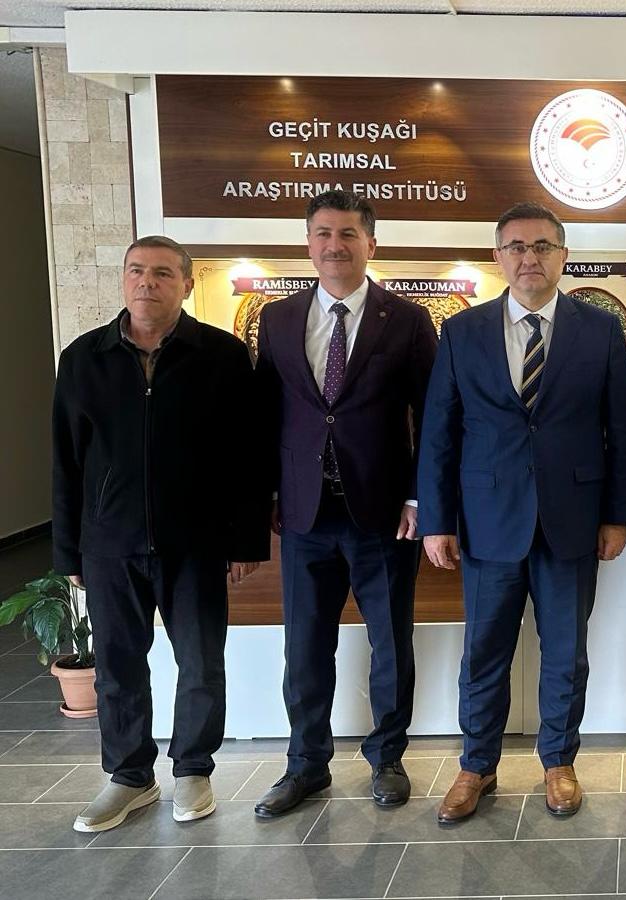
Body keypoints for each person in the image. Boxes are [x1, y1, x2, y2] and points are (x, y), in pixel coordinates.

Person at [418, 201, 626, 823]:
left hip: (574, 519)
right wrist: (436, 519)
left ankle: (558, 763)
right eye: (516, 246)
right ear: (498, 257)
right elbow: (439, 431)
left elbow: (623, 430)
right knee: (483, 651)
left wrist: (618, 515)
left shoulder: (600, 331)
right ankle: (476, 765)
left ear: (563, 256)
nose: (529, 257)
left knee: (565, 653)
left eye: (542, 246)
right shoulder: (463, 332)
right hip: (488, 521)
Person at [52, 236, 268, 832]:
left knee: (200, 663)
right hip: (108, 544)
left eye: (163, 273)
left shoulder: (222, 354)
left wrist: (246, 540)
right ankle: (129, 777)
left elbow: (248, 456)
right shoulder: (84, 358)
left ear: (187, 285)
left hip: (195, 543)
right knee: (119, 667)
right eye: (137, 271)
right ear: (124, 279)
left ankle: (193, 768)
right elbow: (66, 459)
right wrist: (68, 549)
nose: (147, 282)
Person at [252, 190, 437, 818]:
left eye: (349, 234)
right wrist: (268, 494)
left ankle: (388, 758)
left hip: (383, 514)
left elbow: (432, 417)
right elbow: (267, 414)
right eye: (324, 234)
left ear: (371, 244)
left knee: (390, 644)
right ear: (308, 243)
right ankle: (305, 765)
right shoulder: (277, 319)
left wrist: (419, 496)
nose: (335, 245)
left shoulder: (406, 319)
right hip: (303, 515)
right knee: (305, 649)